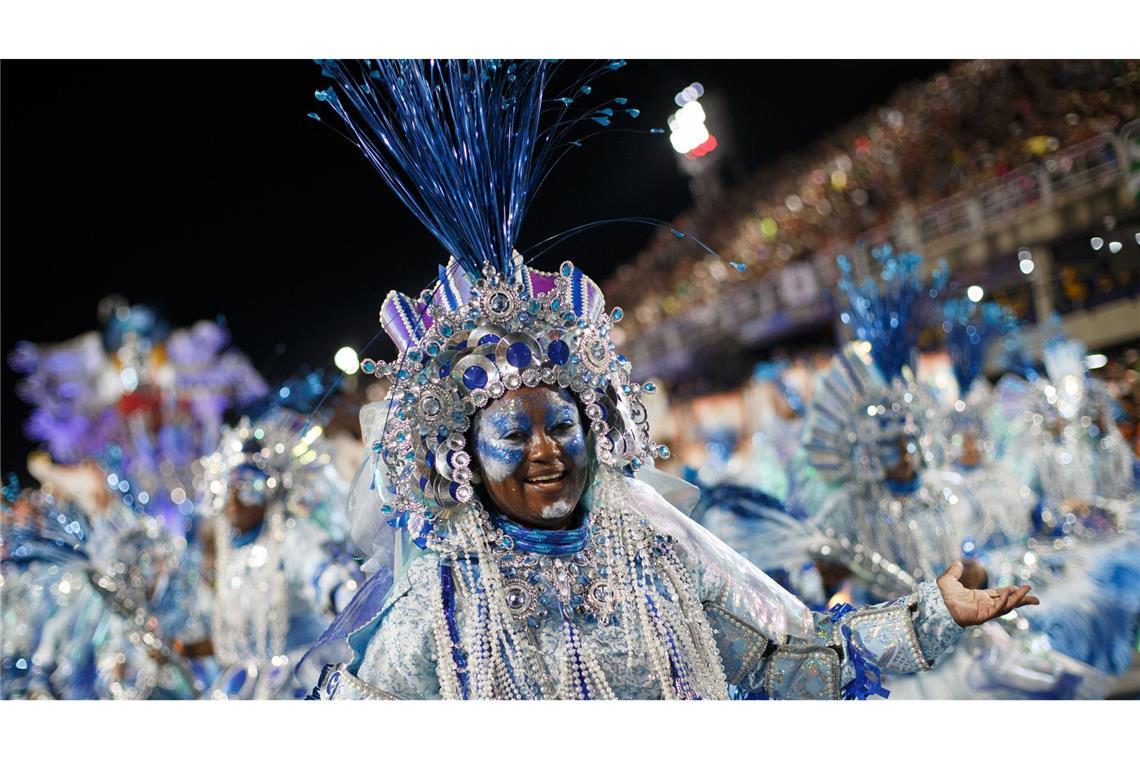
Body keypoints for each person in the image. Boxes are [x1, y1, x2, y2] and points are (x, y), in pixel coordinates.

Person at [300, 59, 1038, 701]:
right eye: (511, 433)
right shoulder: (440, 605)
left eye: (562, 425)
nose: (546, 451)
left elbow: (789, 667)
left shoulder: (653, 550)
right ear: (460, 454)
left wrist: (931, 616)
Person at [179, 377, 363, 699]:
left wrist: (349, 601)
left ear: (271, 490)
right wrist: (188, 648)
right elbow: (235, 639)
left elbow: (338, 583)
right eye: (227, 490)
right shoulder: (229, 556)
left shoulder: (293, 539)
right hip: (244, 686)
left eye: (248, 488)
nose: (235, 502)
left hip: (303, 679)